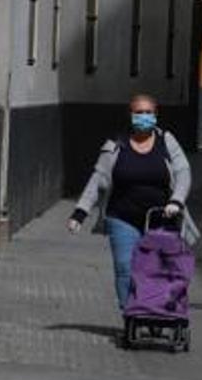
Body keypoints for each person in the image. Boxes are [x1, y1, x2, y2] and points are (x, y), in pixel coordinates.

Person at [67, 94, 192, 336]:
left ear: (155, 115)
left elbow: (183, 172)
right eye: (138, 112)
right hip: (122, 217)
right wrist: (79, 213)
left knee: (157, 271)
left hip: (161, 218)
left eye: (148, 112)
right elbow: (98, 179)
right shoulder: (116, 144)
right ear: (130, 115)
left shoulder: (166, 141)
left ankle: (157, 315)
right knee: (125, 268)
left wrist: (176, 200)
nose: (143, 117)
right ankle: (132, 314)